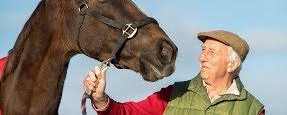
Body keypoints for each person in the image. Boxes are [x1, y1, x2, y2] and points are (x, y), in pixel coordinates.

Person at [83, 30, 265, 115]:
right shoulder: (173, 94)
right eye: (203, 50)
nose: (203, 58)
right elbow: (127, 113)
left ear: (232, 65)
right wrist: (100, 99)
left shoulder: (253, 109)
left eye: (212, 52)